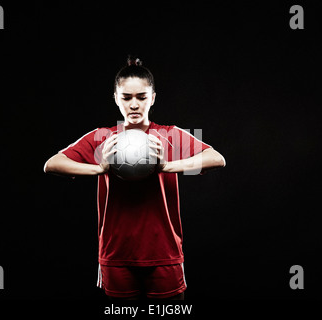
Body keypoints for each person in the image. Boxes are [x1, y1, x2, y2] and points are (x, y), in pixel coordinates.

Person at [44, 56, 226, 300]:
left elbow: (216, 159)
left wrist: (165, 166)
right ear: (116, 99)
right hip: (116, 254)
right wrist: (100, 168)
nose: (134, 105)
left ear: (152, 98)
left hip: (165, 253)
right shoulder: (103, 138)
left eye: (141, 97)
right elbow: (52, 164)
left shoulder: (169, 135)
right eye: (126, 98)